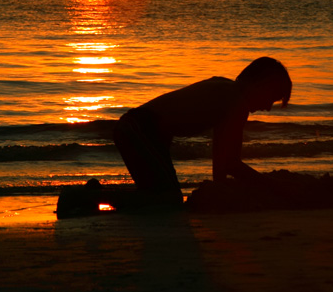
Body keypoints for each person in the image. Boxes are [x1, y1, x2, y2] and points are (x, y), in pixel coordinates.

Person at [113, 57, 292, 204]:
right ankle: (94, 197)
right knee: (167, 198)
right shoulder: (235, 100)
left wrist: (220, 191)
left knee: (161, 193)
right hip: (138, 129)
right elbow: (230, 163)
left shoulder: (228, 91)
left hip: (145, 132)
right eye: (271, 98)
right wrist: (272, 186)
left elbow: (222, 160)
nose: (268, 107)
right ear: (260, 85)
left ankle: (97, 193)